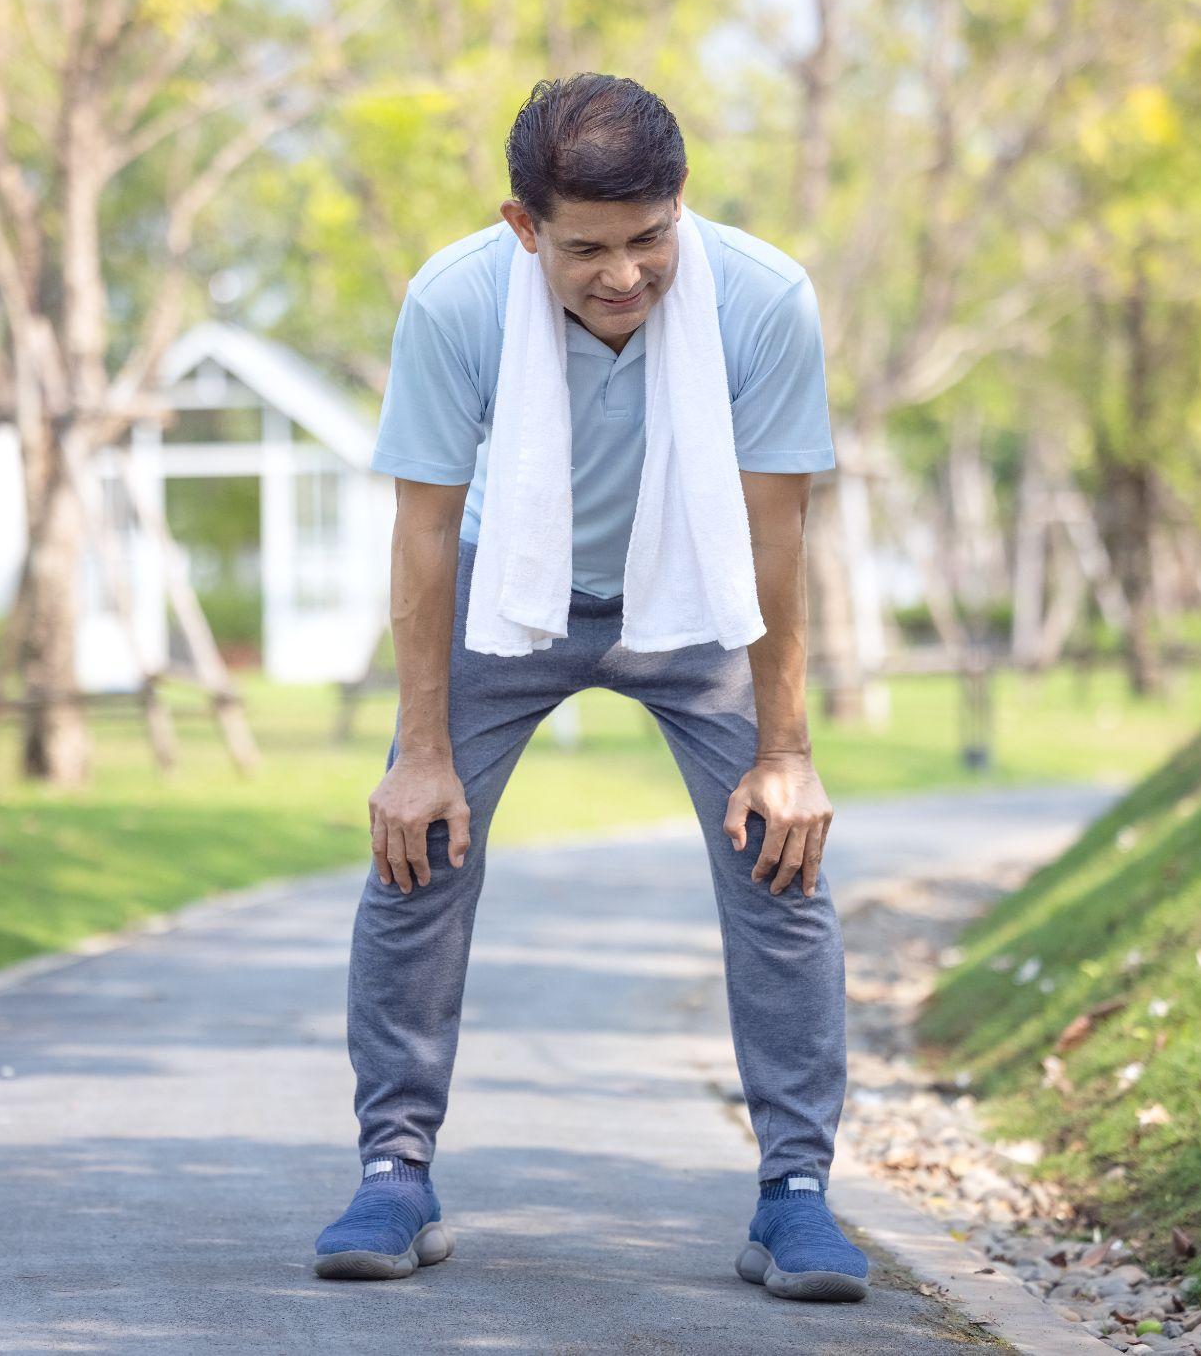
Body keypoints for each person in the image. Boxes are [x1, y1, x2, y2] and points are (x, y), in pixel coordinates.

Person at [312, 72, 868, 1303]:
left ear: (682, 207)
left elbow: (776, 531)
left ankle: (793, 1193)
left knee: (781, 852)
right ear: (524, 227)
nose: (625, 275)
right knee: (420, 844)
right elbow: (418, 534)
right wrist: (417, 750)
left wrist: (786, 747)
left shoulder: (762, 299)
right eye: (588, 248)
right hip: (508, 596)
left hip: (697, 587)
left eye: (650, 237)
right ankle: (393, 1167)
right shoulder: (455, 300)